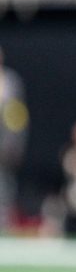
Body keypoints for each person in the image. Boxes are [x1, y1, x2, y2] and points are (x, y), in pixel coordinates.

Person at [0, 45, 29, 231]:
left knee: (3, 193)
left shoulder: (9, 82)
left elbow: (17, 118)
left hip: (3, 151)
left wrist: (12, 147)